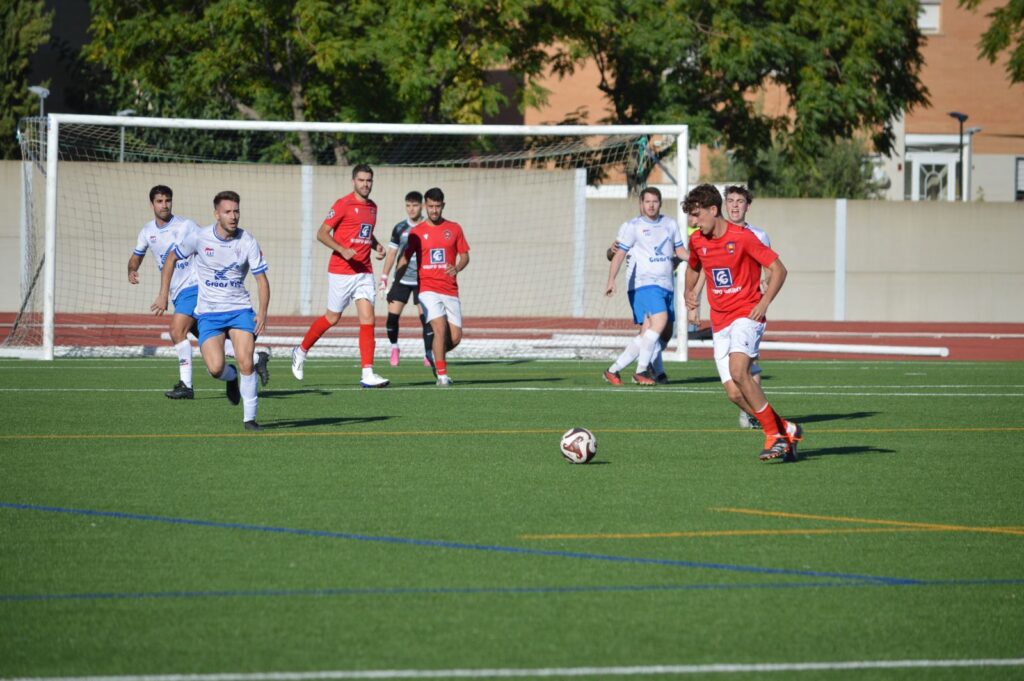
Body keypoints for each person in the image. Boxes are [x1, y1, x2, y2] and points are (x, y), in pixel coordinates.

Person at [682, 183, 802, 462]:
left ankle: (774, 437)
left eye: (697, 215)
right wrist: (690, 294)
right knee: (734, 394)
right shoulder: (698, 240)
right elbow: (693, 266)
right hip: (720, 321)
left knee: (739, 370)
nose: (693, 222)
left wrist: (763, 303)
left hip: (747, 315)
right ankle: (787, 429)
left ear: (714, 210)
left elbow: (779, 270)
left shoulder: (744, 237)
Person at [129, 185, 268, 400]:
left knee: (176, 331)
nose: (164, 205)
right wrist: (132, 269)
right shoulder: (147, 231)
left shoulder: (186, 226)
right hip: (178, 292)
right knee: (205, 337)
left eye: (167, 200)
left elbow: (210, 243)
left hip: (193, 287)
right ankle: (253, 360)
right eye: (159, 201)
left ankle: (186, 384)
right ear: (152, 204)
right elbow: (137, 255)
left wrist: (162, 294)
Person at [290, 164, 389, 388]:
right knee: (332, 318)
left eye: (369, 180)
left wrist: (377, 246)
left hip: (363, 271)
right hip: (341, 271)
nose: (365, 184)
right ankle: (301, 350)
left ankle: (367, 373)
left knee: (368, 319)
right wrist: (342, 249)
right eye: (361, 180)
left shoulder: (373, 207)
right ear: (353, 181)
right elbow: (321, 233)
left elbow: (365, 233)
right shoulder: (343, 204)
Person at [604, 187, 686, 386]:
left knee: (657, 331)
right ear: (641, 204)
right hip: (644, 284)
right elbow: (616, 253)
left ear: (660, 203)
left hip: (667, 285)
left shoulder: (670, 224)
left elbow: (680, 252)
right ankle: (644, 370)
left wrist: (701, 260)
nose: (651, 205)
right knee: (659, 322)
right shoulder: (632, 226)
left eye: (655, 201)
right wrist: (611, 279)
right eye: (647, 201)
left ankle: (613, 370)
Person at [396, 187, 470, 387]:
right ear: (425, 206)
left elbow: (465, 255)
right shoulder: (417, 232)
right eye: (430, 206)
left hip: (450, 289)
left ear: (443, 205)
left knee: (455, 337)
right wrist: (396, 280)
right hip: (427, 289)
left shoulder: (454, 228)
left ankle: (433, 353)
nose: (434, 211)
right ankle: (442, 376)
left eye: (437, 206)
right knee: (439, 327)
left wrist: (457, 267)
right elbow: (405, 257)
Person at [724, 184, 772, 429]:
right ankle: (753, 410)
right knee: (735, 369)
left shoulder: (758, 235)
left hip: (749, 308)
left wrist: (765, 283)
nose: (734, 205)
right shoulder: (716, 233)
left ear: (747, 206)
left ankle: (751, 414)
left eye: (739, 201)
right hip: (723, 309)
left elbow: (771, 267)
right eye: (730, 200)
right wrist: (694, 298)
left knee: (748, 361)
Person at [377, 191, 435, 368]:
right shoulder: (400, 228)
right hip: (401, 279)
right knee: (392, 318)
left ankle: (428, 353)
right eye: (408, 205)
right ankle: (394, 348)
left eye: (415, 205)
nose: (411, 209)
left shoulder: (429, 226)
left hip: (423, 280)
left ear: (422, 206)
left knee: (426, 319)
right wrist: (384, 278)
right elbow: (393, 253)